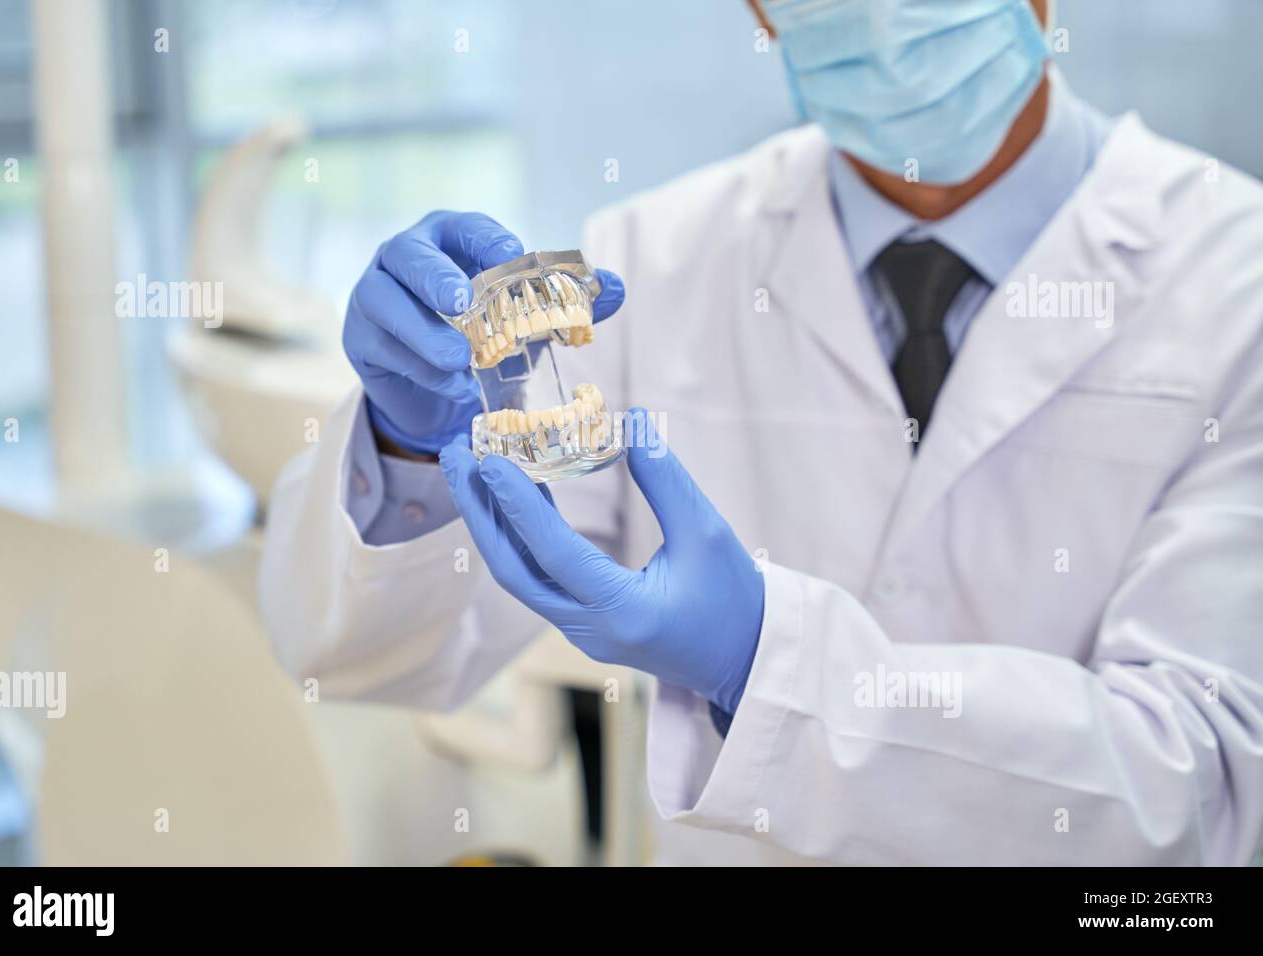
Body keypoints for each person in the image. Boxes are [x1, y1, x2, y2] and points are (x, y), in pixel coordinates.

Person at [260, 0, 1263, 864]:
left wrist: (763, 664)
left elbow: (1212, 787)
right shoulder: (652, 258)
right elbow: (357, 655)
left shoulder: (1239, 281)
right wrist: (408, 443)